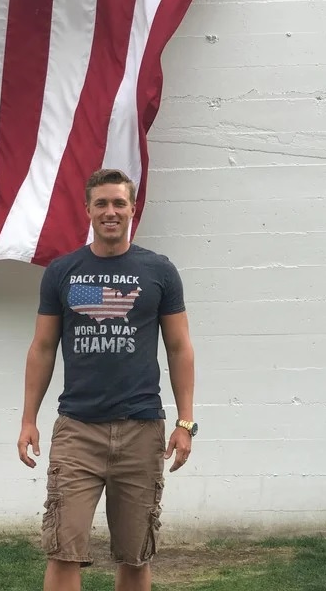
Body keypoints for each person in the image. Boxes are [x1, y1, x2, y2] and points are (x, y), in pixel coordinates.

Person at [18, 168, 196, 591]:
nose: (110, 211)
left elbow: (179, 347)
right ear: (88, 210)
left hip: (142, 429)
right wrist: (28, 419)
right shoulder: (63, 271)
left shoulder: (160, 271)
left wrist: (185, 422)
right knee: (63, 550)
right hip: (77, 431)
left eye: (119, 203)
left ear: (133, 208)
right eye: (101, 203)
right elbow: (42, 347)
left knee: (135, 555)